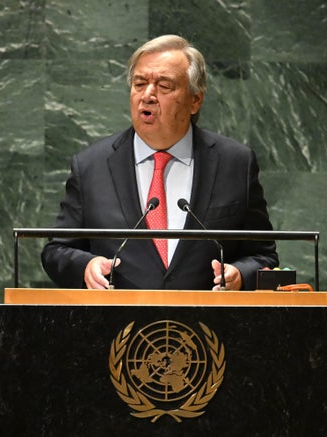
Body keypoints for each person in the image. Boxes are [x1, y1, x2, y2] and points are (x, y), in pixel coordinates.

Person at [41, 34, 278, 290]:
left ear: (195, 100)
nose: (148, 95)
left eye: (164, 86)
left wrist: (240, 275)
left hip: (207, 325)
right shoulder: (91, 166)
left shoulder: (235, 163)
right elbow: (57, 250)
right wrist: (86, 266)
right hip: (117, 325)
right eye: (139, 84)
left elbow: (263, 256)